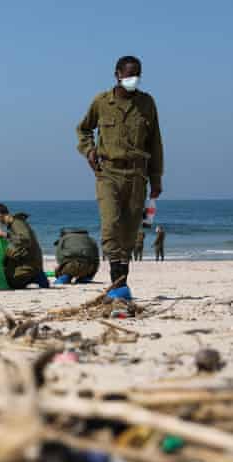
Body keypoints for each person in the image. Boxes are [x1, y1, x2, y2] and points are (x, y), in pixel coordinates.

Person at [77, 55, 163, 300]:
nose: (133, 79)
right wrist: (89, 150)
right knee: (111, 223)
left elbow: (156, 142)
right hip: (108, 172)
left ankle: (121, 281)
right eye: (128, 74)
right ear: (117, 74)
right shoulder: (101, 102)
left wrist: (156, 179)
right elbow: (83, 128)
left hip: (137, 174)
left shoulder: (147, 103)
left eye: (137, 74)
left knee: (130, 229)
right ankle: (118, 284)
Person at [0, 204, 49, 290]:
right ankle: (36, 275)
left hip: (30, 263)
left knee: (12, 283)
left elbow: (25, 240)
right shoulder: (14, 224)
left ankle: (36, 276)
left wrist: (5, 235)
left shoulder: (17, 223)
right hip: (29, 260)